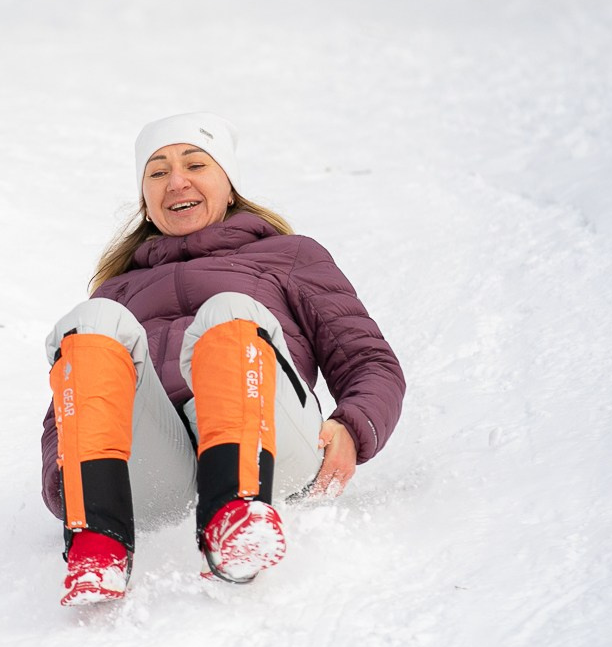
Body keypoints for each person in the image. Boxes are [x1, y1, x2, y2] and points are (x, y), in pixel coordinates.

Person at [39, 112, 405, 606]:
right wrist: (62, 484)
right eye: (158, 172)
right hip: (156, 473)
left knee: (229, 311)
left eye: (195, 164)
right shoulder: (119, 289)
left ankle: (240, 516)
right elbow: (70, 409)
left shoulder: (290, 256)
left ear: (229, 185)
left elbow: (369, 360)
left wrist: (354, 426)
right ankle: (97, 538)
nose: (177, 181)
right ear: (146, 200)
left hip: (270, 451)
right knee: (90, 320)